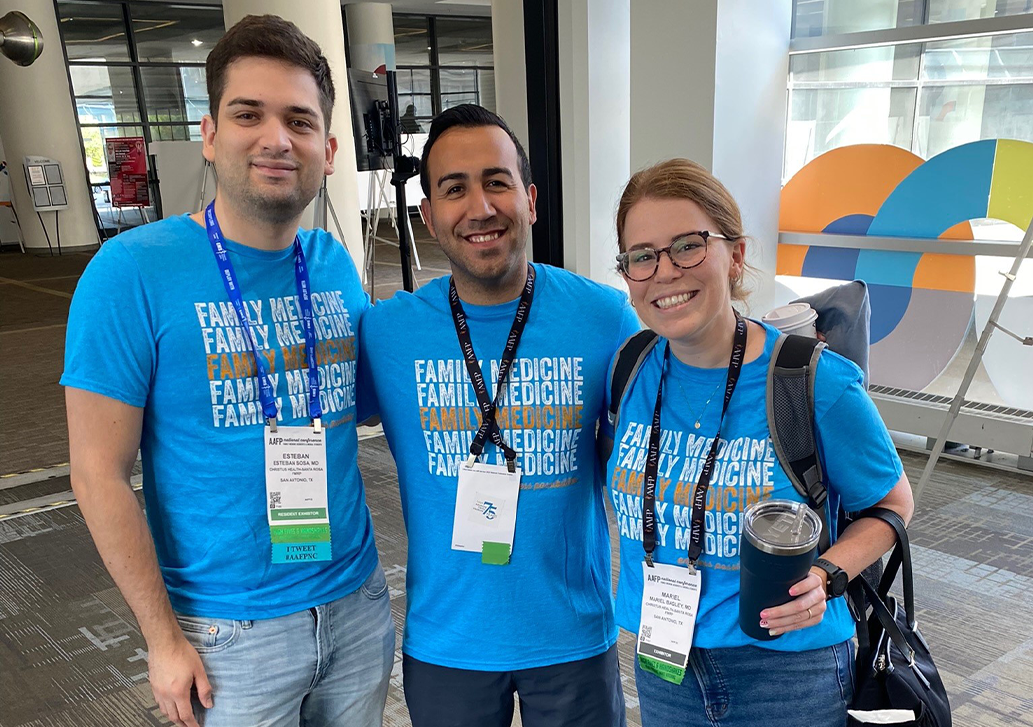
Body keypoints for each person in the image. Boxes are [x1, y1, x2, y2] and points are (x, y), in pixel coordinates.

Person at [62, 15, 393, 727]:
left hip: (357, 603)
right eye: (249, 114)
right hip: (225, 635)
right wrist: (161, 637)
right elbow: (96, 472)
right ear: (210, 134)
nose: (277, 138)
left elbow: (362, 406)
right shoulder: (130, 273)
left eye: (300, 121)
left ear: (328, 149)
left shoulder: (335, 265)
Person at [604, 159, 914, 726]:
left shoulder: (813, 381)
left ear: (736, 254)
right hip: (664, 664)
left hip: (789, 675)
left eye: (689, 246)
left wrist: (825, 576)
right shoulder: (629, 369)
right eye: (642, 256)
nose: (665, 272)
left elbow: (892, 505)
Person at [358, 104, 639, 727]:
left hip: (572, 635)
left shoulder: (605, 319)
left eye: (497, 181)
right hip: (447, 640)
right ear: (428, 215)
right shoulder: (385, 333)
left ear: (530, 199)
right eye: (453, 189)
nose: (479, 207)